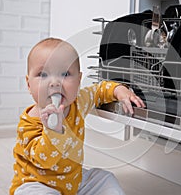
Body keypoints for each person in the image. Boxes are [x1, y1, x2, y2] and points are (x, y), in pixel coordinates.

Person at [9, 37, 145, 195]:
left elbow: (98, 91)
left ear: (79, 80)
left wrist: (119, 90)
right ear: (29, 84)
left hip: (73, 181)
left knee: (106, 179)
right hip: (37, 183)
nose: (55, 82)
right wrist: (53, 131)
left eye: (65, 74)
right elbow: (44, 161)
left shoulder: (79, 102)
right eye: (43, 74)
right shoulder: (28, 124)